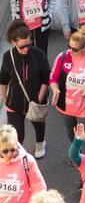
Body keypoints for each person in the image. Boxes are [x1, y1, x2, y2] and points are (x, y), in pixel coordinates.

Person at [49, 25, 85, 145]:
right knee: (72, 135)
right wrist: (55, 89)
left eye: (74, 49)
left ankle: (82, 159)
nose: (71, 50)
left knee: (84, 139)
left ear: (84, 47)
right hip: (66, 106)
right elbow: (53, 77)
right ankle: (75, 155)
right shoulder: (62, 57)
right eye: (69, 46)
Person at [0, 21, 50, 156]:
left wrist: (39, 98)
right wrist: (5, 98)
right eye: (22, 46)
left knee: (38, 125)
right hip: (14, 103)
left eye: (29, 45)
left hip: (35, 100)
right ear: (13, 42)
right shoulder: (7, 57)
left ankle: (40, 143)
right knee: (17, 136)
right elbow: (3, 80)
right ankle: (18, 159)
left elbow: (46, 79)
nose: (26, 49)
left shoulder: (39, 54)